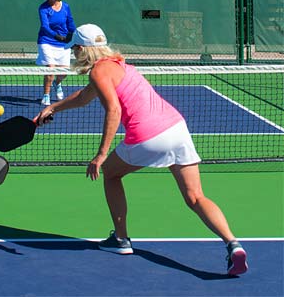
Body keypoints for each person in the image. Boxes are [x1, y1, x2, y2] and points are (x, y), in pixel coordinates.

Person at [34, 24, 248, 276]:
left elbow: (114, 110)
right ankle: (233, 244)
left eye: (75, 49)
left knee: (111, 174)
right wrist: (53, 108)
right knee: (195, 197)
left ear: (81, 49)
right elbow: (83, 97)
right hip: (177, 128)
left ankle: (121, 239)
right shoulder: (117, 65)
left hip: (148, 135)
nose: (74, 54)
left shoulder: (99, 72)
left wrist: (101, 155)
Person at [36, 0, 76, 106]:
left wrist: (73, 35)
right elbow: (45, 26)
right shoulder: (43, 8)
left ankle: (57, 84)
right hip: (47, 41)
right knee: (51, 68)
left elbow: (70, 22)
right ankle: (46, 95)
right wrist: (57, 36)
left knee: (63, 72)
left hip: (63, 43)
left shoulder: (66, 7)